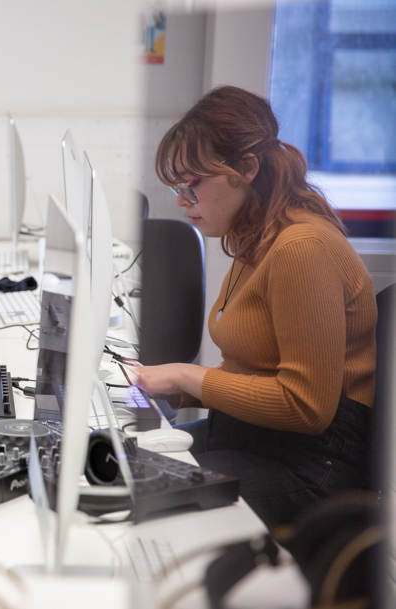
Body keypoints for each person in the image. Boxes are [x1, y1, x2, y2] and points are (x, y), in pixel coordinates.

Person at [134, 86, 376, 529]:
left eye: (191, 184)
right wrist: (173, 387)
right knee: (120, 459)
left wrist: (190, 376)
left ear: (246, 168)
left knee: (141, 498)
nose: (181, 201)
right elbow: (259, 366)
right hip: (256, 438)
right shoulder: (257, 238)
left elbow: (306, 406)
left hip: (312, 467)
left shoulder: (302, 248)